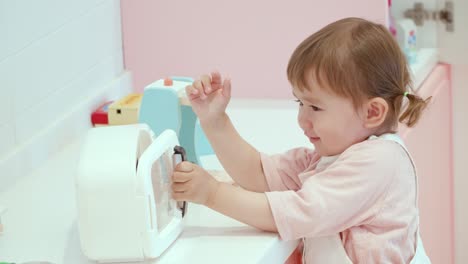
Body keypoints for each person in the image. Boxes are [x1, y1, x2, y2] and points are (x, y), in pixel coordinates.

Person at [171, 17, 432, 263]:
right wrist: (215, 121)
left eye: (315, 108)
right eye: (300, 103)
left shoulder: (378, 163)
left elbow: (297, 213)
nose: (301, 119)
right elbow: (259, 173)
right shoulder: (328, 157)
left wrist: (213, 194)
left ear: (372, 112)